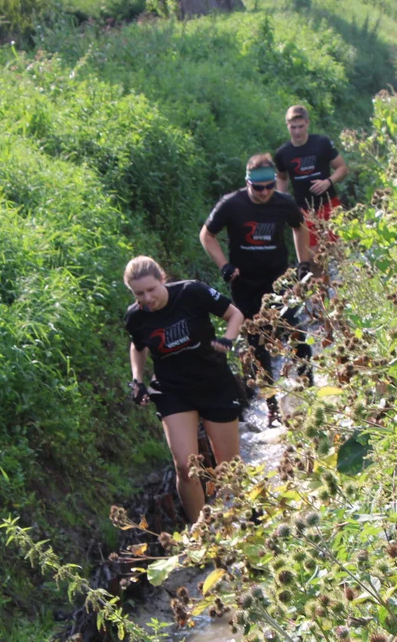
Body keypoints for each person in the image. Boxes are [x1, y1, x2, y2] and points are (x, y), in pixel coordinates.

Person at [123, 256, 245, 524]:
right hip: (173, 390)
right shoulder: (135, 316)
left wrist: (227, 338)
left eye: (152, 289)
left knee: (229, 465)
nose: (148, 298)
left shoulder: (192, 292)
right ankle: (201, 534)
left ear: (162, 279)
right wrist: (137, 380)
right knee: (185, 467)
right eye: (139, 293)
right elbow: (138, 346)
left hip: (214, 382)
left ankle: (245, 520)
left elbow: (234, 314)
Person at [200, 154, 313, 426]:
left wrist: (303, 263)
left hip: (279, 283)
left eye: (269, 187)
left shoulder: (283, 203)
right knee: (258, 347)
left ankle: (309, 397)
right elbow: (207, 235)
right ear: (248, 183)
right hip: (246, 286)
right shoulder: (231, 204)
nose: (264, 193)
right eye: (258, 188)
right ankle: (272, 407)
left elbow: (300, 227)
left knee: (297, 337)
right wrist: (224, 266)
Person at [274, 105, 349, 249]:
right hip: (304, 209)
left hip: (329, 204)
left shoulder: (321, 143)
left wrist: (328, 181)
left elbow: (342, 168)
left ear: (307, 123)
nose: (297, 132)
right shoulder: (282, 153)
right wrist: (281, 200)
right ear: (287, 126)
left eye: (301, 127)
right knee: (315, 256)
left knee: (339, 251)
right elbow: (282, 178)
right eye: (293, 127)